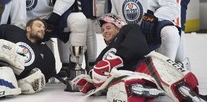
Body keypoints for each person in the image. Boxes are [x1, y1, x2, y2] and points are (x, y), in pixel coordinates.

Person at [72, 13, 207, 102]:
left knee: (156, 62)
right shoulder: (104, 52)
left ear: (118, 26)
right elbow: (97, 71)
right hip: (124, 76)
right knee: (116, 89)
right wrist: (90, 81)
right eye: (102, 30)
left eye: (108, 28)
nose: (105, 32)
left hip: (145, 67)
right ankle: (140, 90)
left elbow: (139, 47)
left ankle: (188, 94)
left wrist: (117, 59)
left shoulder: (128, 29)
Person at [0, 18, 56, 88]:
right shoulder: (12, 31)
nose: (42, 29)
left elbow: (47, 75)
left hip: (16, 83)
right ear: (28, 28)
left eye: (44, 29)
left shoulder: (46, 53)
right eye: (39, 26)